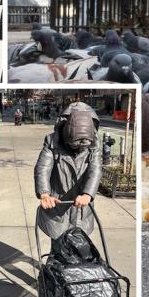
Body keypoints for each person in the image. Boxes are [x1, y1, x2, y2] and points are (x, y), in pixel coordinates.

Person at [34, 102, 102, 250]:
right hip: (58, 203)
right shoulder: (52, 142)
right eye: (74, 145)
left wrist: (88, 194)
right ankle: (54, 270)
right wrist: (44, 193)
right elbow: (43, 167)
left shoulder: (94, 144)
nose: (78, 150)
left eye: (82, 147)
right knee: (58, 247)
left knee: (81, 247)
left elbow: (95, 169)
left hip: (82, 205)